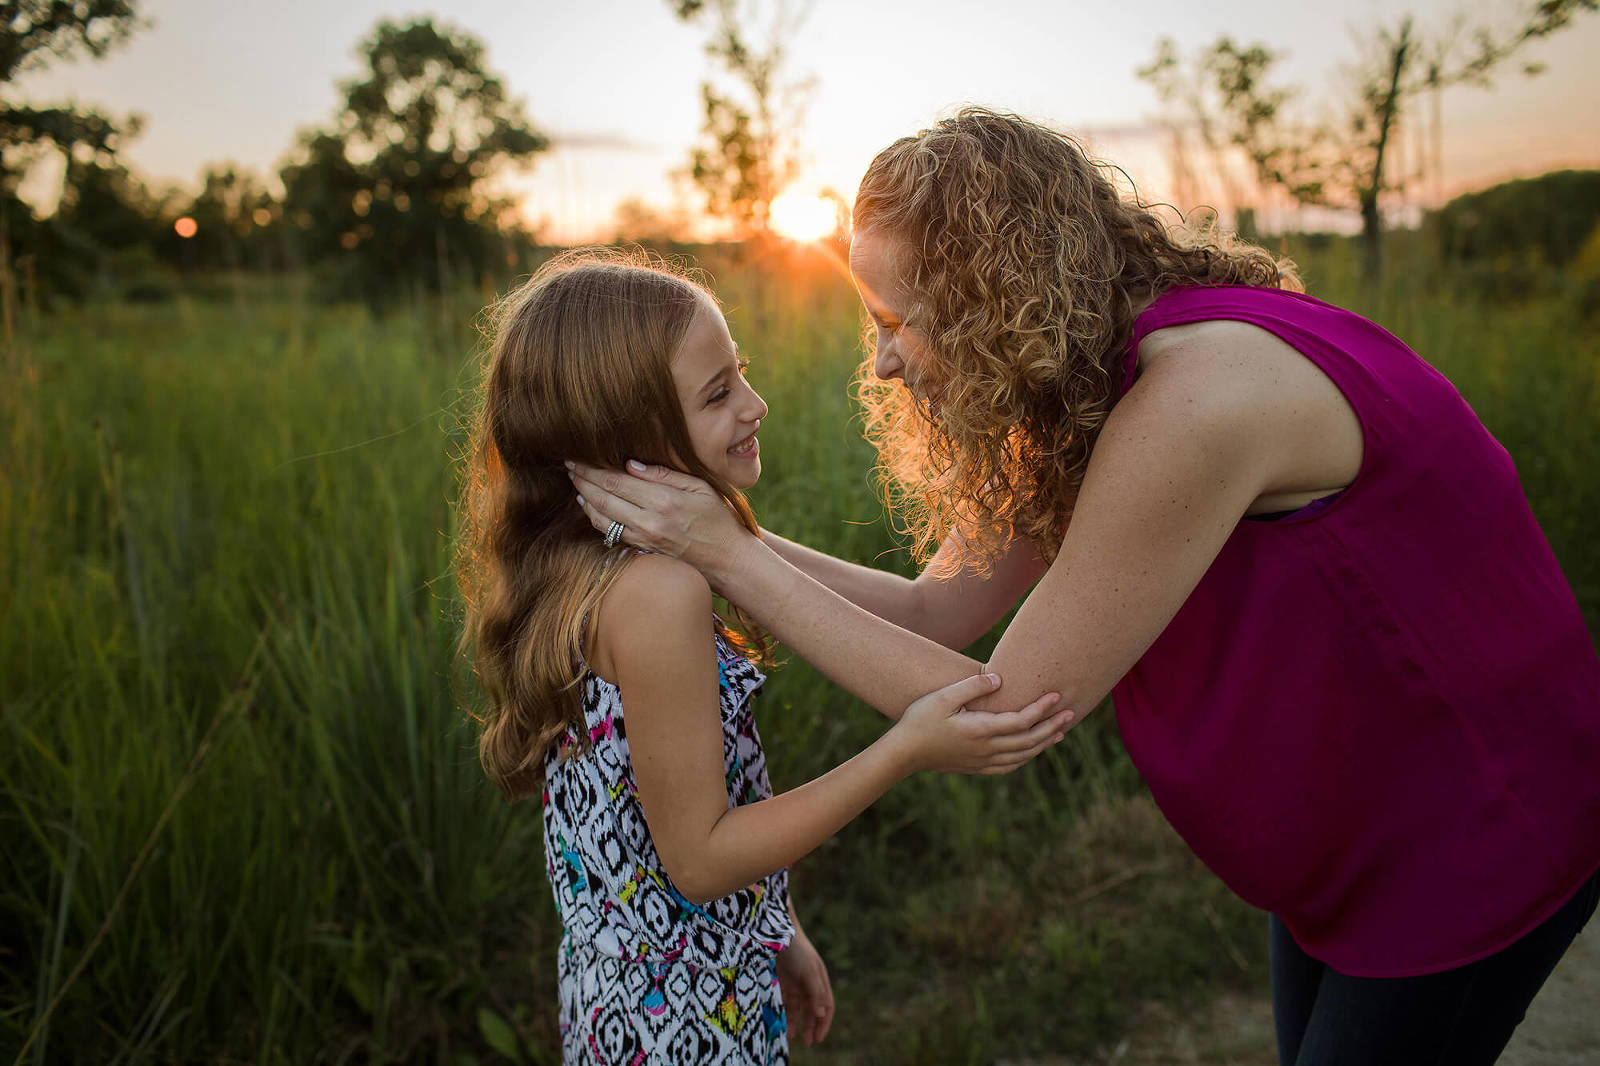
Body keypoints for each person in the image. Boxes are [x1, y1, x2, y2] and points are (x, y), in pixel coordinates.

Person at [568, 111, 1600, 1065]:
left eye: (896, 320)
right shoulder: (1076, 392)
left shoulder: (1196, 401)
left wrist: (728, 554)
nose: (879, 362)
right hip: (1353, 849)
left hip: (1472, 831)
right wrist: (715, 535)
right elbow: (938, 612)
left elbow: (1008, 708)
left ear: (991, 308)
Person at [456, 249, 1072, 1065]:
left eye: (738, 373)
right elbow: (703, 856)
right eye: (717, 395)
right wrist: (904, 750)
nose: (756, 404)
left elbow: (652, 818)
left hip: (622, 998)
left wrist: (776, 930)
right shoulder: (658, 592)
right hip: (686, 1023)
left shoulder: (579, 569)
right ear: (625, 438)